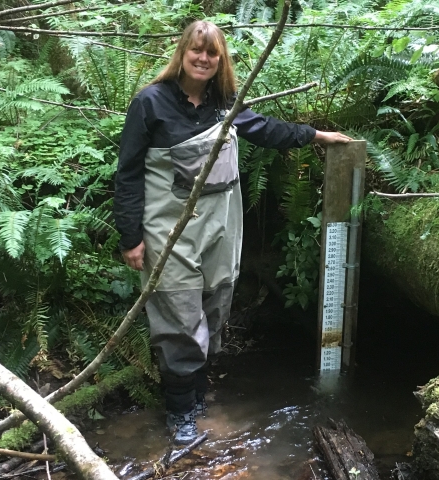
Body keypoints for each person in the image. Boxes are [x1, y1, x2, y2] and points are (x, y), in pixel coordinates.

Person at [114, 20, 351, 445]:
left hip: (220, 229)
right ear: (182, 53)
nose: (203, 59)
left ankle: (197, 396)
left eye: (212, 53)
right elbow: (128, 174)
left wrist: (315, 135)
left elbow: (266, 129)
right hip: (169, 233)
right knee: (179, 318)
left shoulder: (226, 104)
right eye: (196, 51)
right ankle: (182, 415)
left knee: (214, 309)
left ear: (220, 60)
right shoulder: (150, 103)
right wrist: (130, 237)